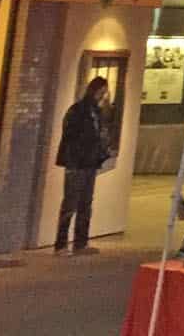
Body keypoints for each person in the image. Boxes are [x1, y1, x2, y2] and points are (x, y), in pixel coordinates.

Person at [53, 78, 111, 255]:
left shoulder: (96, 112)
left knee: (86, 203)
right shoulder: (78, 110)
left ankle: (81, 242)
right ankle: (61, 244)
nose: (103, 95)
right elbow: (70, 135)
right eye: (102, 91)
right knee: (70, 203)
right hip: (77, 163)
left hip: (89, 163)